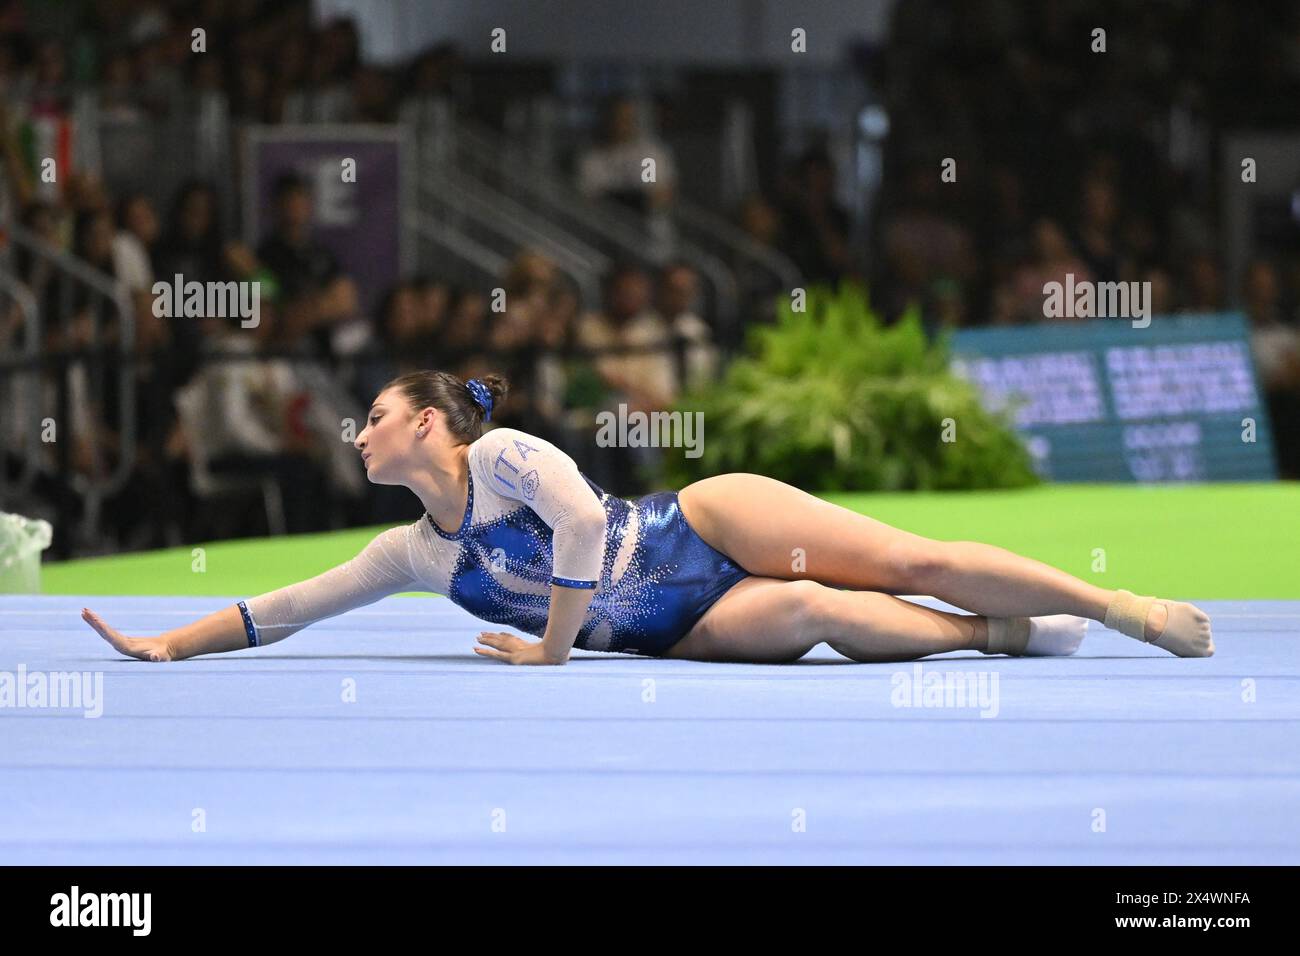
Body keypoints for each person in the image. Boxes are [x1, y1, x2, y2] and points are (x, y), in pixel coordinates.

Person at [82, 370, 1214, 665]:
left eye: (374, 416)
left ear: (433, 423)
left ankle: (1122, 606)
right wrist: (165, 642)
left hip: (702, 528)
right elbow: (287, 608)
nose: (359, 432)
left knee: (904, 555)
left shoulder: (509, 455)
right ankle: (1001, 635)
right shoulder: (413, 551)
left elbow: (581, 532)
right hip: (685, 625)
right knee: (821, 609)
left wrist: (550, 651)